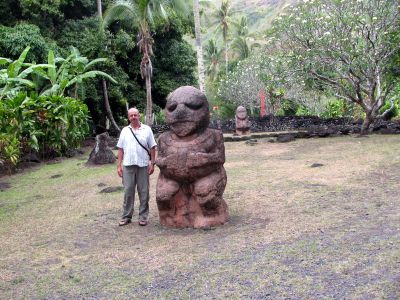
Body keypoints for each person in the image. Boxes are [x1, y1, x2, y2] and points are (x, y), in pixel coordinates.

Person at [116, 107, 157, 226]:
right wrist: (119, 166)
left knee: (144, 192)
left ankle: (143, 216)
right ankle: (126, 216)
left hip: (143, 165)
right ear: (128, 118)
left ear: (139, 116)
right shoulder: (124, 130)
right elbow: (120, 149)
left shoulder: (147, 129)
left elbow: (152, 147)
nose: (133, 117)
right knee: (128, 191)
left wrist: (152, 163)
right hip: (128, 165)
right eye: (131, 115)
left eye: (135, 115)